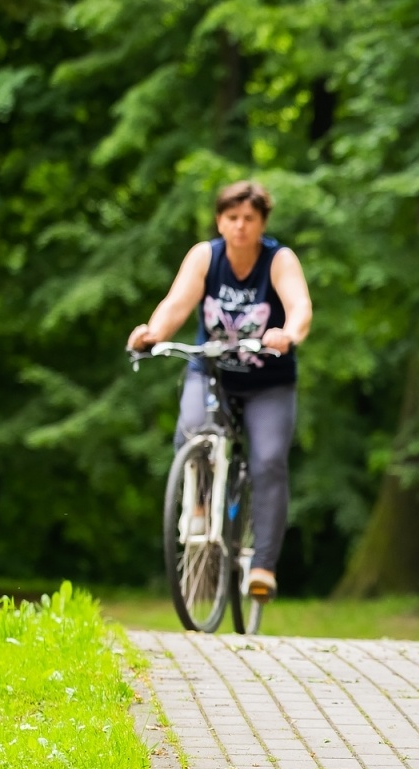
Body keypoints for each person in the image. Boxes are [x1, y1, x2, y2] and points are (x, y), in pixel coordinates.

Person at [127, 180, 313, 600]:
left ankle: (262, 565)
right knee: (192, 427)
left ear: (262, 222)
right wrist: (152, 332)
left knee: (267, 461)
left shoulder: (278, 260)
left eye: (249, 218)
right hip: (212, 371)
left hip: (268, 382)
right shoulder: (205, 257)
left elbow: (300, 305)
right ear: (220, 221)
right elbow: (177, 303)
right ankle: (195, 510)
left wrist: (289, 333)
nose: (240, 226)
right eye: (232, 218)